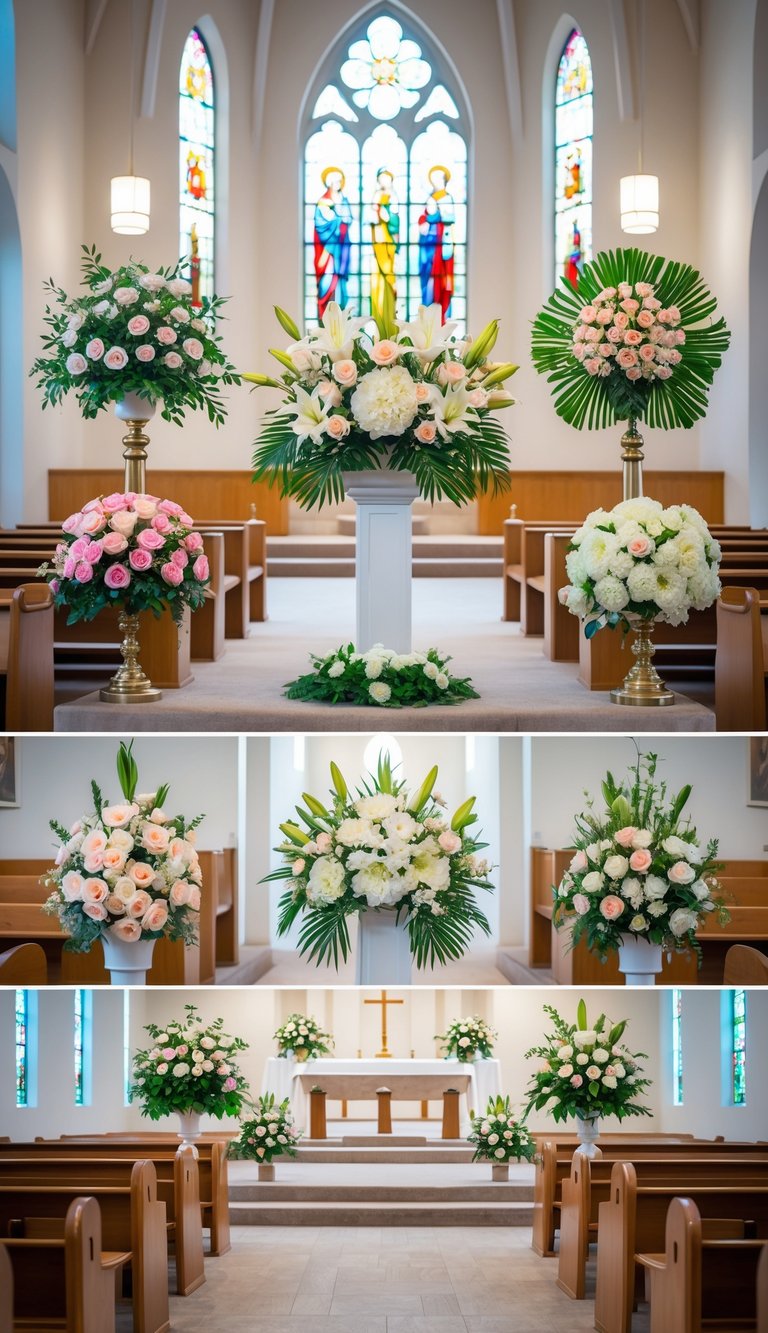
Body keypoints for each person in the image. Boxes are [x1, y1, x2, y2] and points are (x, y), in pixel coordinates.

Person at [314, 166, 353, 319]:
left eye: (339, 181)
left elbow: (348, 219)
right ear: (328, 182)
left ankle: (343, 317)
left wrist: (341, 217)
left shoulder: (344, 201)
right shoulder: (323, 201)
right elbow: (320, 225)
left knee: (340, 283)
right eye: (334, 181)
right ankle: (325, 318)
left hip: (342, 246)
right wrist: (336, 220)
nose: (337, 183)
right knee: (327, 279)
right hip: (328, 248)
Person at [418, 165, 455, 319]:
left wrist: (436, 213)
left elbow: (449, 218)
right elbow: (422, 220)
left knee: (441, 281)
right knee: (428, 280)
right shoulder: (429, 199)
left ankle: (442, 316)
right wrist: (426, 220)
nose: (437, 182)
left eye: (440, 178)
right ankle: (426, 312)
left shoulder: (447, 198)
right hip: (428, 247)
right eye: (434, 179)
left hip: (442, 247)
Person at [370, 168, 400, 325]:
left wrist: (387, 215)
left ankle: (392, 307)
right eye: (381, 178)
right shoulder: (376, 195)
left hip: (389, 238)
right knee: (378, 274)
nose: (384, 181)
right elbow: (371, 217)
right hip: (378, 237)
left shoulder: (393, 196)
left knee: (389, 268)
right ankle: (378, 313)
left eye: (386, 178)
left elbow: (395, 219)